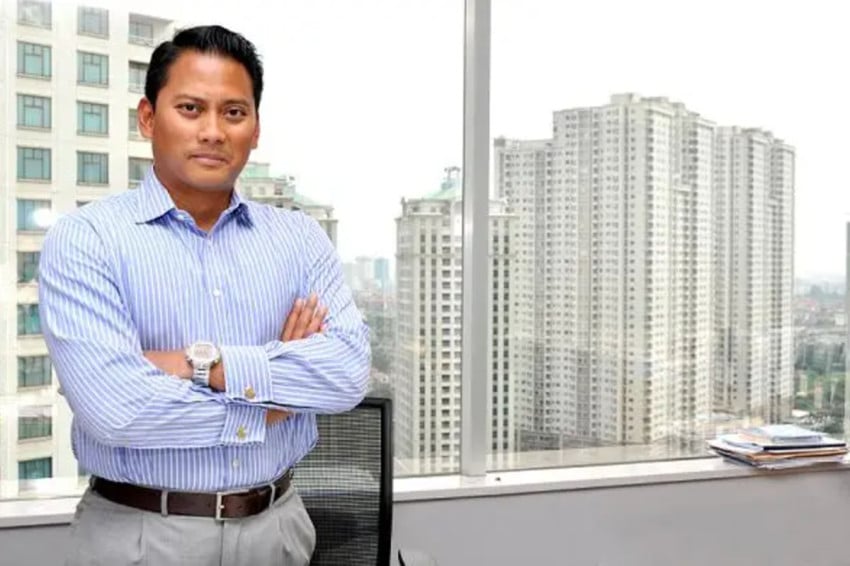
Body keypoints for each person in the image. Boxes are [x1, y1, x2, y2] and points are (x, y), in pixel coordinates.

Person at [38, 24, 370, 566]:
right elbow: (117, 411)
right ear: (149, 118)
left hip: (278, 528)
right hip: (141, 537)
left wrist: (203, 365)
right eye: (190, 109)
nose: (213, 131)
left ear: (255, 129)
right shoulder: (87, 239)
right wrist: (272, 403)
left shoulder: (299, 239)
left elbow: (346, 374)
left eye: (233, 112)